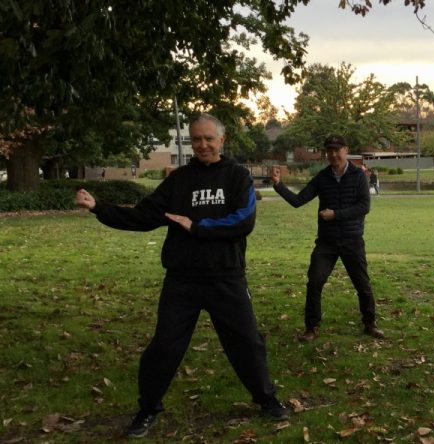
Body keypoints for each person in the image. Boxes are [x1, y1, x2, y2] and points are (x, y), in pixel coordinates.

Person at [74, 113, 289, 439]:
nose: (202, 145)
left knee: (247, 343)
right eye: (196, 139)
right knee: (164, 346)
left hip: (226, 278)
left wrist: (197, 226)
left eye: (208, 138)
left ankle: (266, 398)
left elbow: (243, 221)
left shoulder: (237, 177)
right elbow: (145, 216)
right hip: (182, 280)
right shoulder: (179, 180)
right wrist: (99, 208)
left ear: (221, 140)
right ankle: (147, 408)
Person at [271, 135, 385, 342]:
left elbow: (363, 207)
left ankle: (370, 323)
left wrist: (336, 215)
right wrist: (279, 186)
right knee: (314, 282)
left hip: (352, 240)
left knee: (363, 284)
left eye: (337, 149)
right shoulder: (322, 177)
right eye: (329, 150)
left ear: (346, 150)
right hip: (327, 242)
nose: (333, 154)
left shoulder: (359, 176)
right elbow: (299, 200)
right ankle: (311, 328)